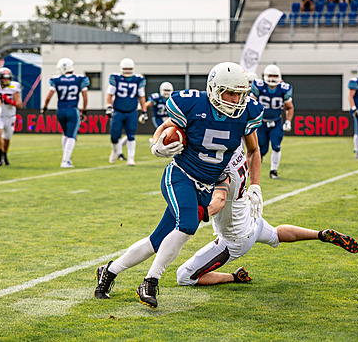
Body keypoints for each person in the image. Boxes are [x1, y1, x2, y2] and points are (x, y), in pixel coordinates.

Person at [94, 62, 264, 308]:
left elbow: (254, 149)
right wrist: (155, 144)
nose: (236, 99)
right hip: (181, 175)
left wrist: (256, 186)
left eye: (240, 93)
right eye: (230, 92)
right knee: (187, 224)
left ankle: (109, 272)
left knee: (157, 240)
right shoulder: (193, 104)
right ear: (214, 89)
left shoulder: (246, 112)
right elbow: (166, 127)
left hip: (207, 185)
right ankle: (150, 281)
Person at [176, 145, 358, 287]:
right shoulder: (237, 149)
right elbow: (254, 149)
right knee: (276, 234)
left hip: (235, 238)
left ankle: (234, 277)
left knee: (184, 276)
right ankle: (319, 234)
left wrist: (199, 214)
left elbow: (219, 200)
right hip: (251, 218)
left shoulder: (220, 168)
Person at [41, 58, 89, 168]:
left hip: (60, 110)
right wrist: (85, 110)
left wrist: (44, 107)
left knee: (65, 134)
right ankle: (65, 160)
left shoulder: (56, 80)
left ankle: (66, 158)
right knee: (72, 136)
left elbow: (49, 97)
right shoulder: (80, 79)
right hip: (72, 109)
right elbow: (85, 97)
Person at [250, 65, 294, 179]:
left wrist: (288, 121)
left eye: (275, 75)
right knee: (261, 148)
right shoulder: (258, 86)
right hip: (261, 123)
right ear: (265, 76)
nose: (273, 78)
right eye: (270, 75)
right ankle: (253, 165)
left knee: (276, 146)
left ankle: (273, 171)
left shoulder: (284, 88)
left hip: (276, 121)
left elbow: (289, 107)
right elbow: (251, 104)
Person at [106, 58, 147, 166]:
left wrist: (144, 111)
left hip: (132, 111)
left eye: (129, 69)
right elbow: (109, 94)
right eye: (125, 69)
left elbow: (141, 96)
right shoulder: (116, 79)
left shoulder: (138, 80)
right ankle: (115, 150)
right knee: (114, 136)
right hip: (118, 111)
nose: (127, 71)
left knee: (131, 135)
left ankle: (131, 158)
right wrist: (109, 106)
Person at [0, 67, 22, 167]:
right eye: (4, 78)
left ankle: (5, 154)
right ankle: (0, 154)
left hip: (9, 115)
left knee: (7, 138)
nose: (6, 80)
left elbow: (19, 104)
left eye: (8, 78)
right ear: (0, 78)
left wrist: (10, 102)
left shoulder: (14, 86)